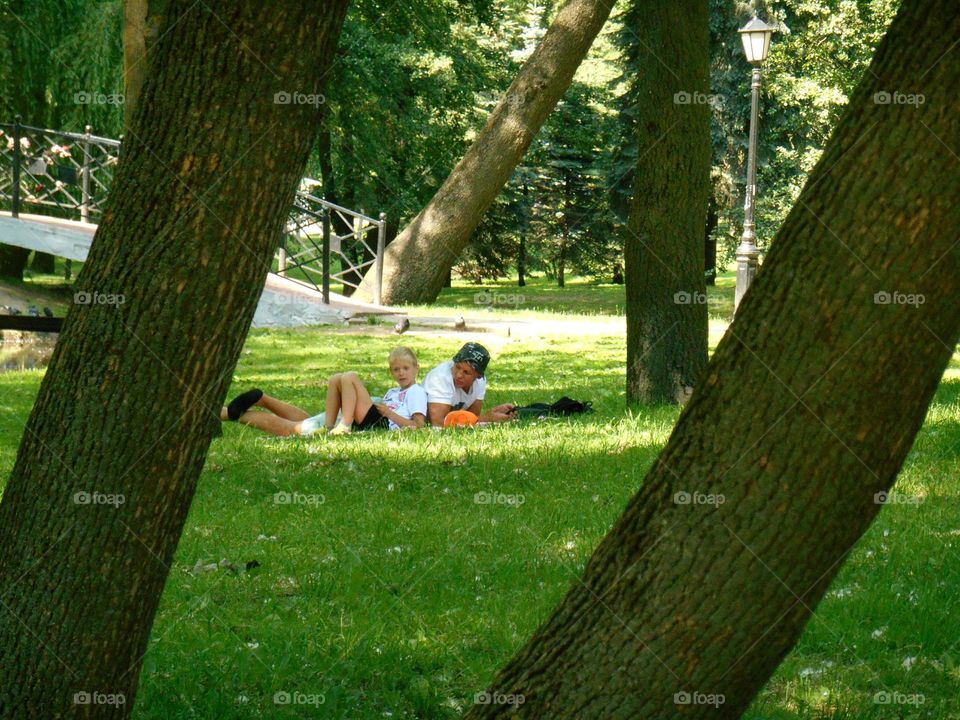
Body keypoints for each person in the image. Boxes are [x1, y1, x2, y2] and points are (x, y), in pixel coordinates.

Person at [221, 346, 427, 437]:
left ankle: (231, 411)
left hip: (380, 422)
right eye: (396, 370)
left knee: (295, 428)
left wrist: (390, 414)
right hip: (372, 416)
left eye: (406, 369)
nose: (401, 373)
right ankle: (333, 426)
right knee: (337, 380)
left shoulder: (416, 391)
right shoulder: (393, 390)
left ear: (416, 368)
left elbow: (418, 426)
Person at [422, 342, 516, 426]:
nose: (459, 375)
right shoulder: (440, 377)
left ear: (478, 376)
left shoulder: (480, 382)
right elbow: (438, 423)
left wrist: (492, 413)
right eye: (457, 367)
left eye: (466, 372)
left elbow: (472, 418)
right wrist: (487, 419)